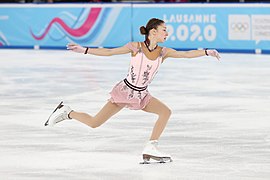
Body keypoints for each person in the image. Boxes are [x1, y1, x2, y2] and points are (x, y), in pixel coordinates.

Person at [45, 18, 220, 164]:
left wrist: (207, 52)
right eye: (164, 30)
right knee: (94, 123)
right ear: (153, 32)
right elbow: (109, 52)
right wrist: (85, 50)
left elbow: (186, 55)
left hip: (142, 94)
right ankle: (68, 112)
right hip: (125, 91)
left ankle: (151, 147)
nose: (167, 33)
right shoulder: (135, 47)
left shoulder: (163, 52)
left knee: (165, 112)